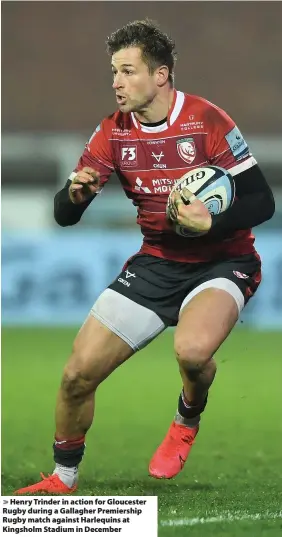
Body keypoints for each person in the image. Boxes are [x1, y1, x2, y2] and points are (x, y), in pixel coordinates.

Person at [16, 19, 275, 495]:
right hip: (156, 264)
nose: (116, 82)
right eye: (113, 71)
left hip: (224, 262)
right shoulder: (112, 132)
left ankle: (185, 419)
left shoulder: (207, 121)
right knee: (77, 375)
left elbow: (263, 201)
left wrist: (211, 221)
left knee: (193, 354)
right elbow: (63, 215)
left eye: (127, 71)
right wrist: (75, 196)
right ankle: (63, 478)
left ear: (160, 75)